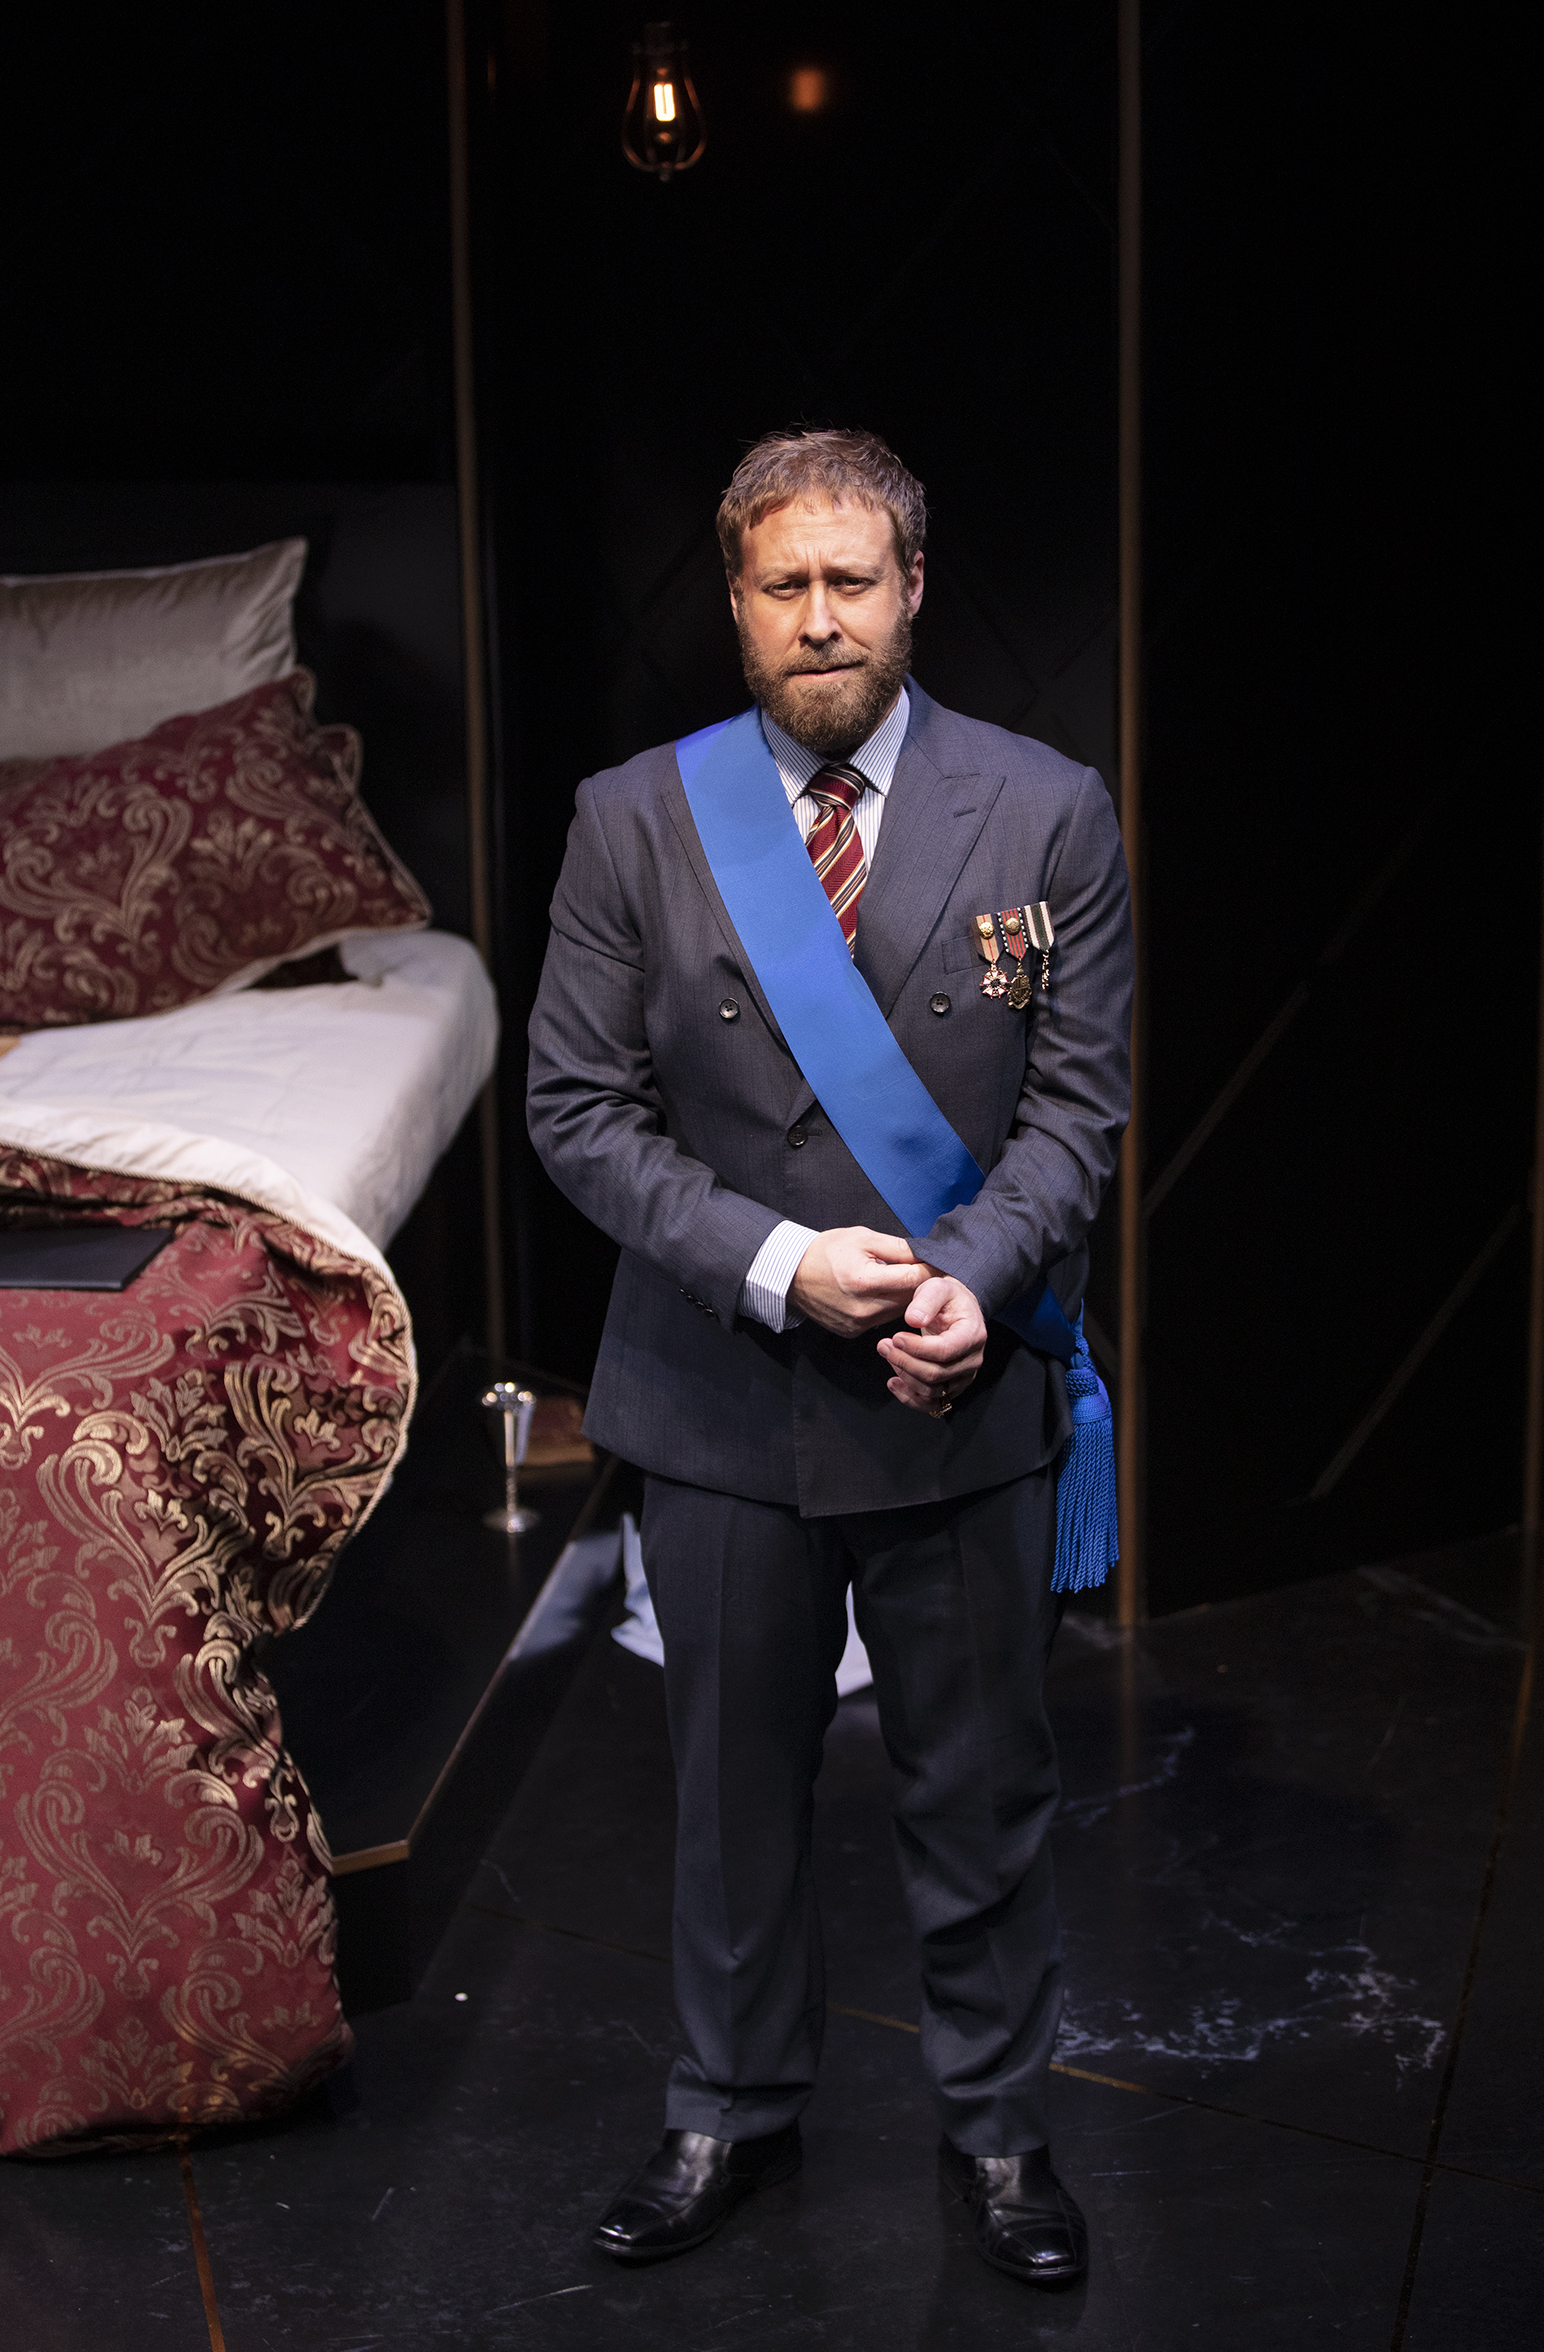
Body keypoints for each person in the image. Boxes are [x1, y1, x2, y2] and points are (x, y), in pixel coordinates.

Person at [526, 428, 1132, 2287]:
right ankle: (725, 2109)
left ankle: (1004, 2130)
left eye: (849, 582)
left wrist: (970, 1280)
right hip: (721, 1392)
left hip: (961, 1385)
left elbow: (1076, 1109)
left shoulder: (1048, 809)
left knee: (980, 1791)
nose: (817, 620)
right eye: (780, 586)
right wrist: (782, 1262)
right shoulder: (637, 812)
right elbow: (576, 1104)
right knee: (726, 1793)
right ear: (733, 603)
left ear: (913, 590)